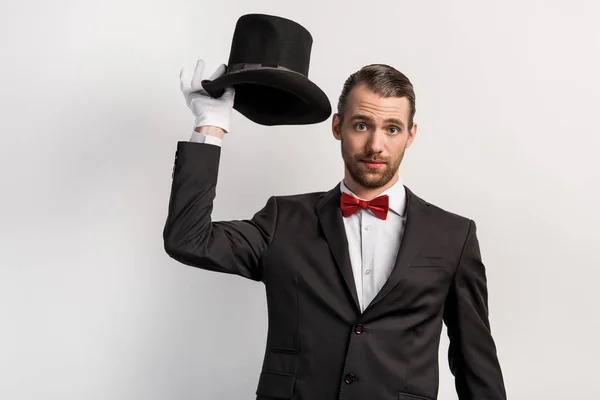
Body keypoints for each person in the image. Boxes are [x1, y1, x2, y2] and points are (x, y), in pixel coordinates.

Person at [164, 59, 507, 400]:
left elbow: (474, 362)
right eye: (361, 126)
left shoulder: (453, 236)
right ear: (337, 127)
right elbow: (189, 240)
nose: (376, 145)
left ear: (410, 135)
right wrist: (210, 124)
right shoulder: (284, 219)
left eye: (391, 128)